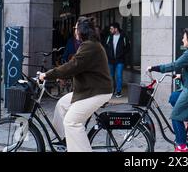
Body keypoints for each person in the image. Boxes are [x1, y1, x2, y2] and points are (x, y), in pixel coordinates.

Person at [39, 17, 113, 152]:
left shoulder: (90, 46)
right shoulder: (88, 44)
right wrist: (62, 77)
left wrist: (48, 74)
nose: (74, 31)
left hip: (97, 91)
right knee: (62, 104)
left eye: (75, 28)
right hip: (87, 89)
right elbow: (78, 67)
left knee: (71, 122)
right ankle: (65, 141)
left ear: (81, 31)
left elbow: (73, 65)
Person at [148, 27, 188, 153]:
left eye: (184, 37)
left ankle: (182, 146)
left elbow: (174, 65)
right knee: (173, 98)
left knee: (176, 116)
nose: (182, 39)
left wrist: (154, 68)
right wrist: (181, 76)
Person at [104, 22, 130, 98]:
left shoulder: (123, 37)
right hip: (110, 60)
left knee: (119, 75)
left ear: (116, 29)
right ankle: (112, 90)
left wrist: (122, 54)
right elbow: (105, 47)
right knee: (111, 76)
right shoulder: (109, 37)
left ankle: (118, 91)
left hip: (120, 60)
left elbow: (128, 47)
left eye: (111, 28)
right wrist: (108, 55)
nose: (110, 30)